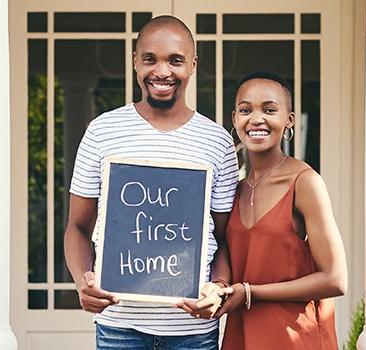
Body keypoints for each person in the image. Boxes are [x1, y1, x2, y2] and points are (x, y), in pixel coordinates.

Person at [64, 15, 239, 350]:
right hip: (119, 328)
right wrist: (82, 280)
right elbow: (77, 226)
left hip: (192, 329)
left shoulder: (216, 142)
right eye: (150, 59)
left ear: (192, 65)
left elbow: (223, 238)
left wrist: (218, 287)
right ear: (135, 61)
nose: (162, 72)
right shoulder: (102, 132)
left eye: (175, 60)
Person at [216, 71, 348, 349]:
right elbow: (225, 249)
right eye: (245, 110)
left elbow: (335, 279)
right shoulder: (235, 189)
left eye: (269, 109)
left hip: (297, 338)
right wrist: (218, 286)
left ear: (289, 120)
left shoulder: (305, 182)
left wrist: (251, 293)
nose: (256, 119)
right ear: (234, 120)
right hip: (242, 337)